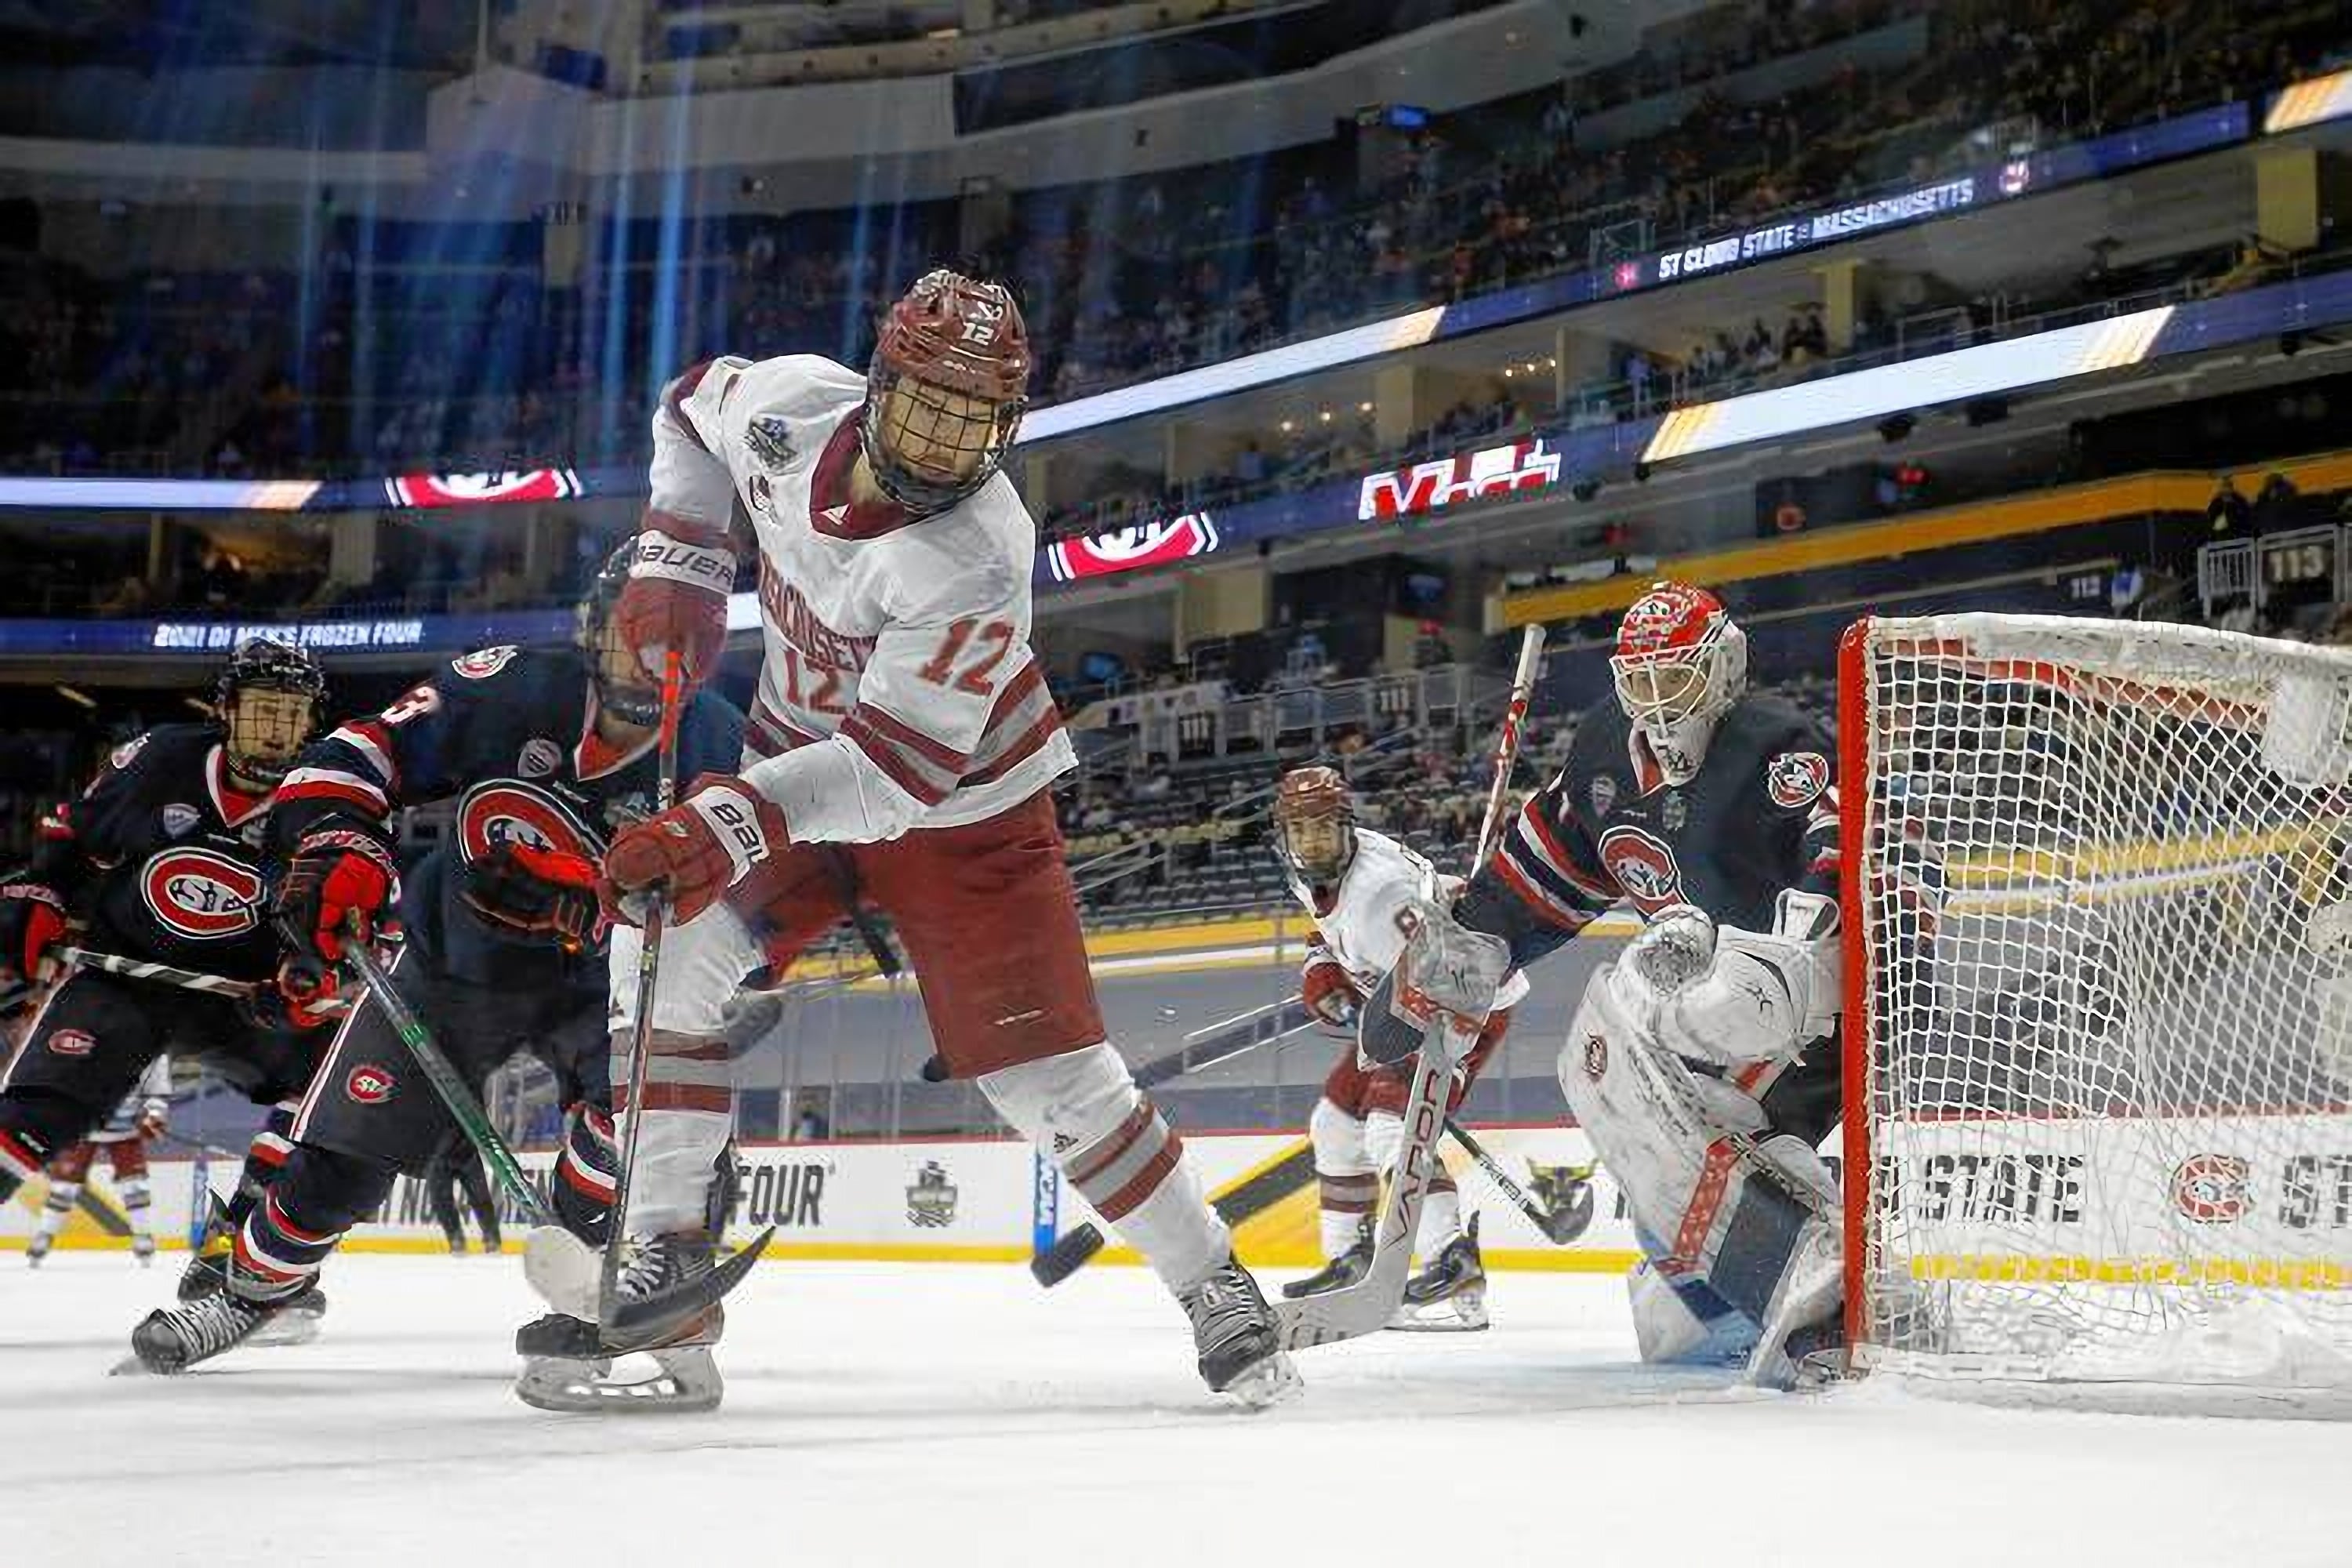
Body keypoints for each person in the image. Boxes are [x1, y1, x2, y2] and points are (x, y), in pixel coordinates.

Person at [519, 268, 1297, 1413]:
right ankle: (669, 1258)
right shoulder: (785, 405)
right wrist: (678, 555)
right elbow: (686, 410)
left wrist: (717, 822)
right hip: (798, 758)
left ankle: (1216, 1283)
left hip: (960, 807)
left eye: (974, 417)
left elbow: (890, 777)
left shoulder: (981, 551)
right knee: (663, 953)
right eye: (928, 401)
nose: (943, 438)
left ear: (1007, 426)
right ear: (878, 381)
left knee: (1047, 1080)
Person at [125, 559, 744, 1372]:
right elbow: (354, 752)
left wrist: (607, 905)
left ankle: (609, 1268)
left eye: (679, 636)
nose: (653, 654)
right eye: (637, 628)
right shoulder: (506, 686)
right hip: (455, 962)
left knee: (643, 1121)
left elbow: (751, 891)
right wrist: (337, 840)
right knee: (347, 1144)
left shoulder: (727, 743)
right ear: (594, 631)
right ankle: (252, 1290)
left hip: (612, 983)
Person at [1395, 583, 1844, 1385]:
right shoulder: (1604, 753)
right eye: (1643, 681)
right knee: (1674, 1318)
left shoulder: (1778, 745)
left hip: (1809, 1002)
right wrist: (1472, 941)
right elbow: (1542, 872)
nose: (1659, 702)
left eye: (1679, 678)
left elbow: (1841, 851)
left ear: (1726, 666)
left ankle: (1835, 1294)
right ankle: (1777, 1282)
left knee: (1728, 1106)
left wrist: (1799, 953)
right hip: (1699, 1007)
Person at [0, 638, 330, 1323]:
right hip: (124, 977)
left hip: (246, 1000)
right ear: (225, 710)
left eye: (291, 715)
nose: (275, 730)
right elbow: (72, 836)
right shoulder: (162, 759)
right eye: (262, 710)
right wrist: (41, 896)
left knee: (323, 1091)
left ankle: (238, 1252)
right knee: (35, 1117)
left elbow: (356, 905)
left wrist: (314, 971)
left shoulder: (331, 793)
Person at [1272, 765, 1526, 1330]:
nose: (1312, 842)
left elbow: (1453, 971)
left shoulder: (1378, 897)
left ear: (1346, 829)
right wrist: (1324, 973)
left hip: (1459, 1007)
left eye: (1323, 829)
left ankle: (1451, 1262)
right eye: (1301, 830)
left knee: (1393, 1128)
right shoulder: (1316, 874)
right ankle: (1349, 1259)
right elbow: (1329, 932)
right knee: (1335, 1124)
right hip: (1400, 1000)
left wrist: (1433, 1061)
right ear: (1284, 837)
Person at [24, 1055, 170, 1265]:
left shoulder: (154, 1047)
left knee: (135, 1185)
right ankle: (44, 1235)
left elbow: (157, 1092)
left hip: (126, 1130)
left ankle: (143, 1236)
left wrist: (154, 1114)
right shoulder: (88, 1034)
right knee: (64, 1186)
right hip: (82, 1125)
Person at [425, 1130, 501, 1256]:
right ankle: (455, 1237)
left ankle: (491, 1237)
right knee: (440, 1199)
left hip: (467, 1150)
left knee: (479, 1195)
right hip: (438, 1152)